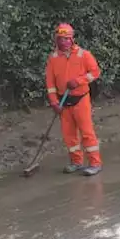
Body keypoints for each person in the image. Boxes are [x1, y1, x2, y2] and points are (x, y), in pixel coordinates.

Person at [45, 23, 103, 176]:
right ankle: (76, 162)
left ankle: (95, 163)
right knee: (69, 135)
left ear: (71, 39)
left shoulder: (83, 55)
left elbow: (95, 72)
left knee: (86, 132)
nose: (62, 42)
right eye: (59, 39)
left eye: (65, 39)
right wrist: (54, 102)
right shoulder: (53, 58)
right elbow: (50, 84)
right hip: (63, 102)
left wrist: (78, 81)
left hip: (81, 99)